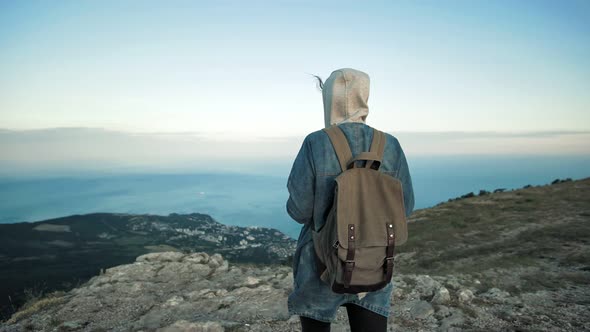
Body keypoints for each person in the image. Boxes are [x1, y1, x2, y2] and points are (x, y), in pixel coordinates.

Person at [285, 68, 415, 332]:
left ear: (329, 100)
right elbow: (406, 207)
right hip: (375, 260)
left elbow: (300, 210)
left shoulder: (316, 143)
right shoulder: (390, 144)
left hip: (319, 263)